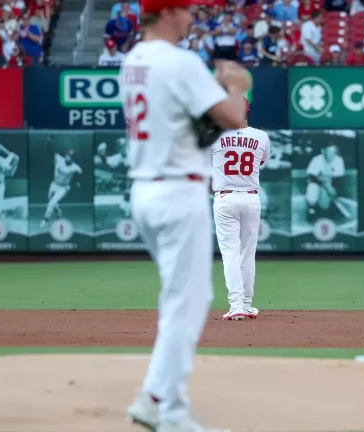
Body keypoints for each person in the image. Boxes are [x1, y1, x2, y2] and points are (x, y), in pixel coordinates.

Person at [118, 0, 249, 429]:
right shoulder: (180, 61)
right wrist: (233, 85)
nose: (193, 17)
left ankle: (156, 396)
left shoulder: (132, 60)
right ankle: (165, 408)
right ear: (170, 12)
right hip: (178, 191)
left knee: (178, 299)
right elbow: (232, 118)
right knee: (188, 304)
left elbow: (185, 119)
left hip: (144, 190)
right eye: (188, 10)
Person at [210, 98, 270, 320]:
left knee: (231, 254)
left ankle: (237, 305)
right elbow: (261, 161)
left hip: (225, 198)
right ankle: (246, 303)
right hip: (251, 198)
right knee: (247, 255)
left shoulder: (214, 136)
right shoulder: (261, 136)